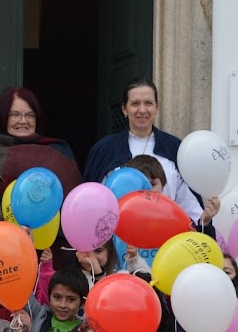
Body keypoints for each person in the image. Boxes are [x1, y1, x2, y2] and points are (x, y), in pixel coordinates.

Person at [84, 77, 218, 228]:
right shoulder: (104, 149)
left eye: (148, 103)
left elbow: (188, 205)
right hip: (117, 240)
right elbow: (91, 203)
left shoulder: (174, 148)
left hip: (163, 238)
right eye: (135, 103)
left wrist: (204, 222)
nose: (142, 110)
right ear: (124, 109)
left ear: (157, 107)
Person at [0, 87, 83, 198]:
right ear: (4, 118)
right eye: (15, 114)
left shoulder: (57, 151)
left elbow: (75, 199)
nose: (23, 121)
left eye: (30, 115)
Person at [26, 268, 88, 332]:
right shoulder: (38, 314)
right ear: (49, 296)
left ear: (82, 303)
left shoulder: (83, 331)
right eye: (57, 297)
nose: (62, 305)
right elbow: (23, 290)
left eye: (70, 299)